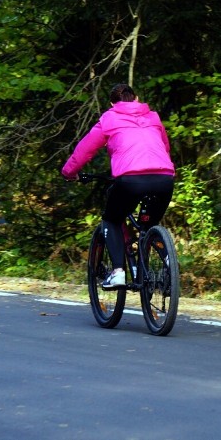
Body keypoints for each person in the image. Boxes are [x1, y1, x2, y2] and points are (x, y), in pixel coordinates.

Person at [62, 83, 175, 288]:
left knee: (112, 219)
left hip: (130, 180)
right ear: (137, 98)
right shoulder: (154, 117)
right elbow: (165, 148)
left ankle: (118, 272)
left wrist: (69, 172)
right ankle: (169, 265)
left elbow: (85, 150)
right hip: (164, 179)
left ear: (112, 103)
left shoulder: (109, 118)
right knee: (149, 225)